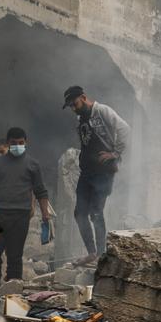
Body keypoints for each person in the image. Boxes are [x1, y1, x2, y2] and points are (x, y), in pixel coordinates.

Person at [62, 85, 129, 263]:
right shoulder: (80, 119)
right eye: (70, 106)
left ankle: (100, 254)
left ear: (83, 97)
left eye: (74, 104)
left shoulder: (102, 111)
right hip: (87, 172)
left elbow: (124, 129)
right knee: (79, 213)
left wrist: (115, 153)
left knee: (96, 212)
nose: (73, 108)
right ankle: (92, 252)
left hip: (104, 172)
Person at [0, 128, 52, 288]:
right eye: (14, 143)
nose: (17, 145)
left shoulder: (32, 164)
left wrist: (45, 214)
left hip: (21, 215)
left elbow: (40, 191)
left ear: (26, 143)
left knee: (15, 255)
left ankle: (12, 289)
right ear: (8, 143)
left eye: (21, 143)